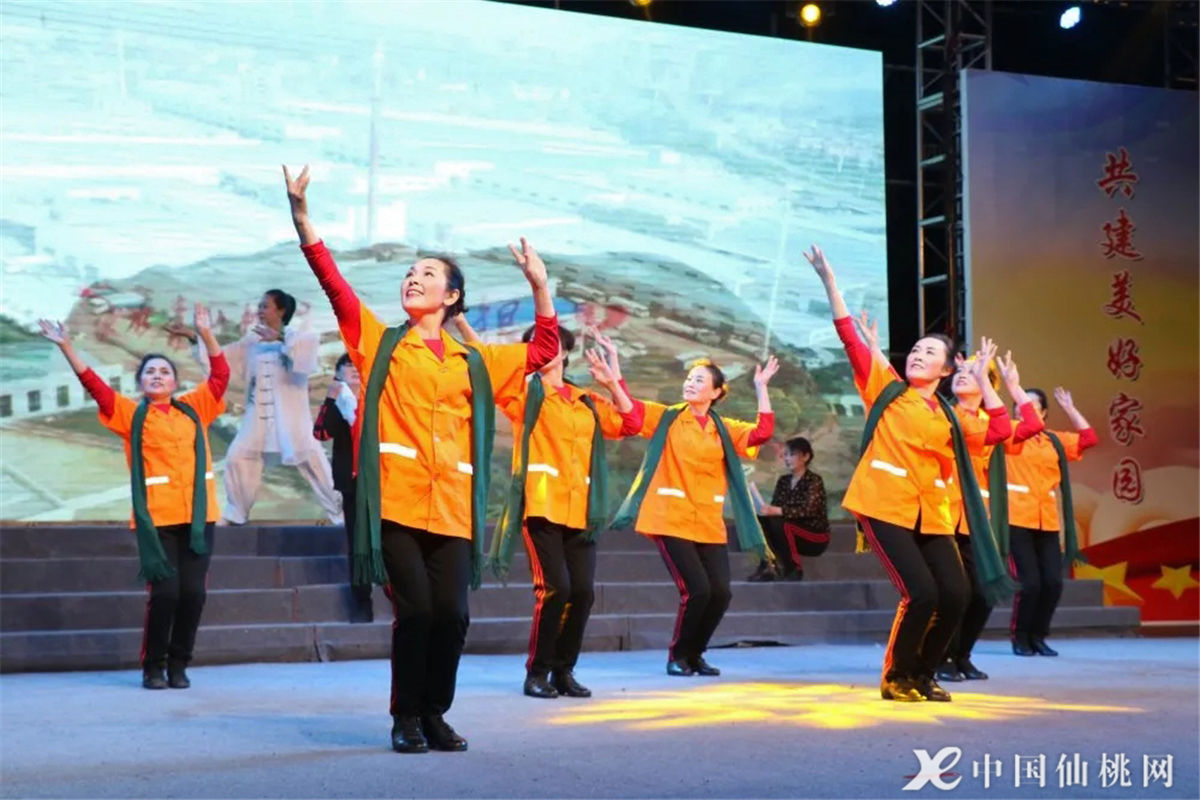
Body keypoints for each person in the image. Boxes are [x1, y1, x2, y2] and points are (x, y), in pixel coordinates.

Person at [284, 164, 560, 754]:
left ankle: (435, 712)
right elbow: (333, 284)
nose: (414, 278)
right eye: (410, 273)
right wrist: (302, 216)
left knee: (452, 616)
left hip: (453, 509)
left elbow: (543, 349)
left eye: (427, 274)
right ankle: (406, 716)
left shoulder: (475, 361)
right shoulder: (380, 342)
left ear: (451, 296)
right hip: (398, 504)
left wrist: (540, 285)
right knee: (415, 614)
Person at [806, 243, 1012, 702]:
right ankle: (897, 676)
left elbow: (999, 429)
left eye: (929, 352)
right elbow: (850, 339)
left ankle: (923, 674)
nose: (918, 355)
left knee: (956, 595)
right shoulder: (888, 390)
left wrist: (983, 381)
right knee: (921, 592)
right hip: (883, 505)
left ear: (946, 368)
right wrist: (830, 283)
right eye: (915, 350)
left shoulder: (951, 416)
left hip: (932, 513)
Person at [38, 306, 229, 691]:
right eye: (150, 372)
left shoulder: (195, 408)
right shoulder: (130, 414)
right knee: (166, 594)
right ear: (140, 382)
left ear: (175, 381)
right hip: (157, 520)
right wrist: (66, 347)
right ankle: (153, 666)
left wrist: (206, 334)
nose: (157, 375)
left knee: (194, 594)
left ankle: (179, 664)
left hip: (198, 518)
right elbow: (96, 387)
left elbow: (221, 376)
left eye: (164, 371)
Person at [481, 324, 641, 699]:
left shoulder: (586, 400)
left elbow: (630, 423)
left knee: (582, 593)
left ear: (565, 353)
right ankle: (537, 672)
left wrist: (612, 382)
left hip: (582, 510)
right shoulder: (524, 394)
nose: (539, 349)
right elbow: (488, 369)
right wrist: (460, 323)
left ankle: (563, 671)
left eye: (547, 343)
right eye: (533, 344)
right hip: (541, 506)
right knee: (556, 589)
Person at [612, 355, 778, 677]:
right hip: (669, 517)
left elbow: (761, 433)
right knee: (698, 590)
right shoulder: (669, 418)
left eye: (699, 379)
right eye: (689, 377)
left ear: (715, 392)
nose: (690, 382)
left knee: (721, 593)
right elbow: (630, 411)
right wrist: (614, 376)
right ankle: (678, 656)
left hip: (707, 522)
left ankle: (696, 654)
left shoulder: (723, 428)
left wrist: (761, 387)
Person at [936, 347, 1044, 683]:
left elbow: (1032, 425)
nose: (962, 375)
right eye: (961, 371)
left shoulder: (988, 419)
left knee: (983, 595)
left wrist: (1013, 387)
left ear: (986, 383)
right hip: (944, 513)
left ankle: (962, 655)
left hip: (978, 520)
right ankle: (941, 657)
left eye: (974, 372)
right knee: (957, 592)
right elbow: (999, 431)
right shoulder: (945, 414)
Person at [196, 288, 342, 525]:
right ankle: (236, 512)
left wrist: (280, 338)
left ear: (281, 311)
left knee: (315, 463)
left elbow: (305, 360)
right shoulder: (252, 342)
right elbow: (222, 360)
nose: (260, 311)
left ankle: (341, 514)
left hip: (292, 419)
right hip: (257, 418)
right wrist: (199, 336)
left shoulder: (299, 337)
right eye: (260, 306)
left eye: (265, 306)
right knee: (238, 456)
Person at [1005, 386, 1098, 657]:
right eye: (1019, 404)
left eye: (1032, 405)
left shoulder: (1053, 441)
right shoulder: (1010, 435)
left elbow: (1089, 439)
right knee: (1030, 583)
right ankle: (1020, 637)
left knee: (1053, 583)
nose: (1024, 408)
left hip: (1046, 520)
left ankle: (1038, 636)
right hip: (1016, 517)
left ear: (1044, 413)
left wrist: (1069, 408)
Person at [312, 353, 373, 623]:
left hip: (382, 482)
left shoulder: (376, 398)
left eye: (357, 365)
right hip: (353, 483)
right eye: (348, 365)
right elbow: (321, 433)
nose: (354, 369)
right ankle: (362, 600)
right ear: (338, 374)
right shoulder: (339, 403)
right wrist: (331, 398)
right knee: (358, 543)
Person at [747, 436, 830, 582]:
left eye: (792, 454)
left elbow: (809, 510)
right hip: (786, 532)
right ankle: (768, 566)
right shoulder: (783, 481)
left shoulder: (814, 480)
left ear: (805, 457)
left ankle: (792, 568)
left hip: (814, 535)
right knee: (763, 521)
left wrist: (779, 511)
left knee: (782, 524)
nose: (787, 459)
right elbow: (775, 508)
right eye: (785, 455)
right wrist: (765, 510)